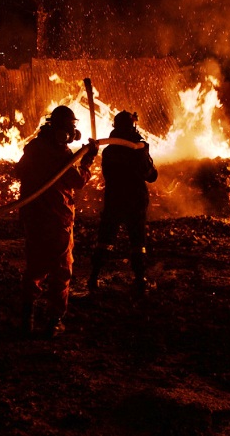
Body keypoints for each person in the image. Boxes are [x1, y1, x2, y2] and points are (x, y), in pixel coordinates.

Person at [15, 105, 98, 338]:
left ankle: (26, 321)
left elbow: (18, 171)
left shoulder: (34, 148)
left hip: (33, 217)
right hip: (56, 218)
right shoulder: (59, 153)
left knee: (35, 267)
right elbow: (77, 181)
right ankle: (54, 323)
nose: (72, 132)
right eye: (70, 128)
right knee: (61, 270)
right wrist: (87, 162)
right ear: (61, 130)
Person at [87, 110, 158, 295]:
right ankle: (140, 280)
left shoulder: (109, 150)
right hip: (135, 200)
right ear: (132, 126)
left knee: (105, 237)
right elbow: (151, 175)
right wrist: (145, 156)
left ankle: (93, 277)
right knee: (137, 239)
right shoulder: (138, 149)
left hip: (114, 199)